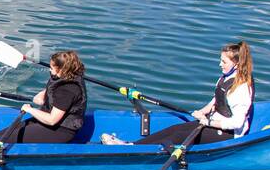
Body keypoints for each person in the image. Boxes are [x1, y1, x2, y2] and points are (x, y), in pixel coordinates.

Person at [101, 41, 254, 146]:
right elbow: (216, 100)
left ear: (237, 65)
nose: (220, 64)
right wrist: (202, 111)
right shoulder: (225, 78)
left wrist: (208, 122)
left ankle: (134, 151)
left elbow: (237, 123)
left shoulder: (241, 89)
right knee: (175, 128)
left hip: (229, 134)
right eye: (220, 60)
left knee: (177, 137)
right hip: (213, 123)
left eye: (224, 62)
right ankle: (132, 145)